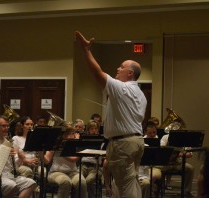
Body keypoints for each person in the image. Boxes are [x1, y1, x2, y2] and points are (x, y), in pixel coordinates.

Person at [75, 31, 147, 197]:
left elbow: (97, 73)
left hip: (122, 144)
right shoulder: (140, 94)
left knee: (126, 188)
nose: (117, 68)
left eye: (122, 67)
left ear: (130, 73)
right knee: (129, 182)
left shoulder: (122, 88)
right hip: (136, 141)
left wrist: (86, 51)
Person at [0, 115, 36, 197]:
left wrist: (18, 156)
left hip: (8, 176)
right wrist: (2, 155)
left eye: (7, 126)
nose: (6, 128)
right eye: (3, 126)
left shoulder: (9, 142)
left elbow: (13, 165)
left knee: (31, 183)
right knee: (11, 185)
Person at [43, 124, 88, 198]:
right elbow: (47, 161)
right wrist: (41, 155)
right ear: (64, 135)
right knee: (66, 182)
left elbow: (73, 159)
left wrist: (78, 143)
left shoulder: (74, 145)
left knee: (82, 183)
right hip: (56, 172)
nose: (74, 135)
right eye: (72, 133)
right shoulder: (55, 144)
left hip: (73, 172)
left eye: (74, 133)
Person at [81, 120, 102, 198]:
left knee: (88, 181)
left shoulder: (101, 141)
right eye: (92, 129)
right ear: (88, 130)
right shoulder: (84, 140)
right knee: (79, 181)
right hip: (83, 166)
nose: (94, 131)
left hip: (96, 167)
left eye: (95, 129)